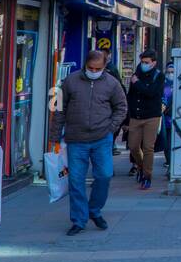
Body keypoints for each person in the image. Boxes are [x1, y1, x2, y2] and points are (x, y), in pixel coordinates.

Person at [54, 49, 127, 235]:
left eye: (97, 68)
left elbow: (121, 107)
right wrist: (54, 137)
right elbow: (59, 108)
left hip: (102, 138)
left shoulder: (112, 83)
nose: (93, 71)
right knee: (76, 180)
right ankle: (79, 219)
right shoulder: (71, 81)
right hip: (76, 139)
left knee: (104, 175)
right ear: (85, 65)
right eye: (90, 68)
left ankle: (94, 210)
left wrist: (111, 128)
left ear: (104, 67)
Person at [126, 48, 165, 190]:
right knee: (133, 146)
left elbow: (152, 92)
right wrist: (127, 117)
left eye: (146, 62)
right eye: (142, 62)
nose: (143, 64)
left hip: (152, 116)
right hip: (136, 116)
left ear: (153, 63)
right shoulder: (136, 74)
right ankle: (141, 166)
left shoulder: (159, 76)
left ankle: (147, 176)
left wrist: (137, 83)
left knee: (148, 147)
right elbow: (130, 96)